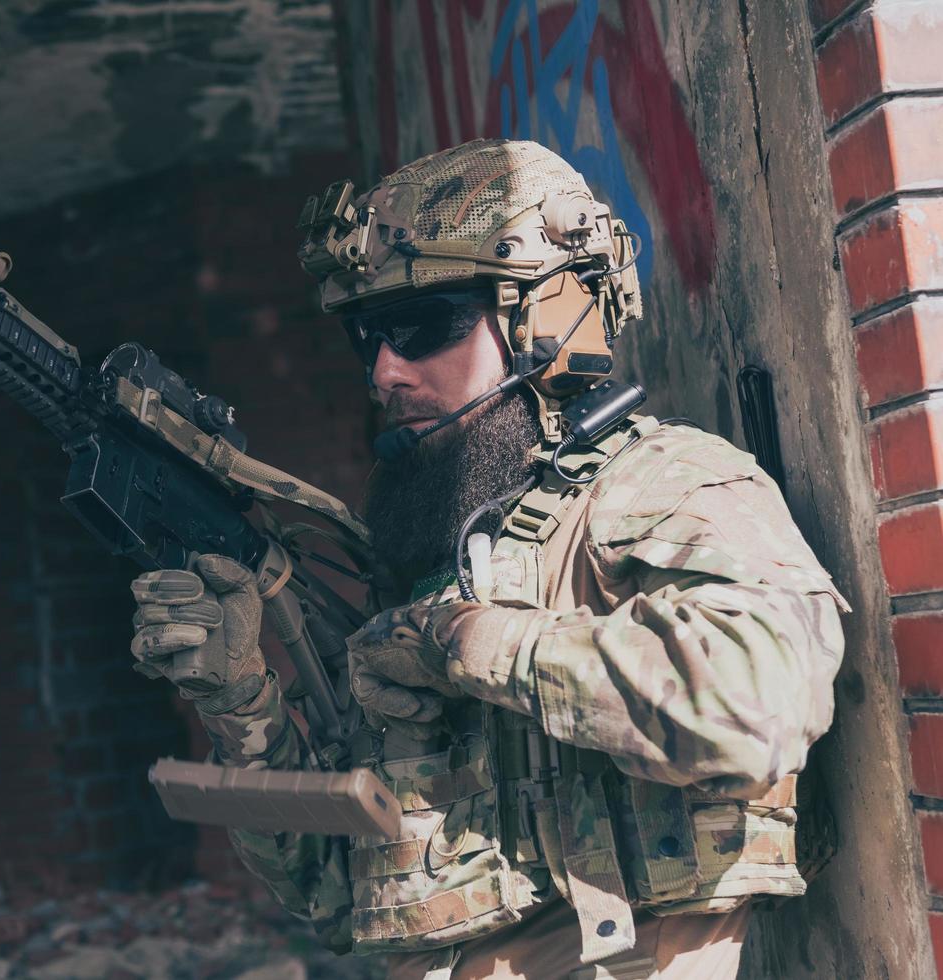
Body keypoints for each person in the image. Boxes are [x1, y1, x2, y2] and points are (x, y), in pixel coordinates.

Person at [128, 140, 846, 980]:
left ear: (542, 316)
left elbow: (755, 705)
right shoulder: (447, 551)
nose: (386, 371)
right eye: (368, 339)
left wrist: (471, 645)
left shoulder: (661, 483)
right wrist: (241, 701)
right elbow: (339, 897)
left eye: (423, 326)